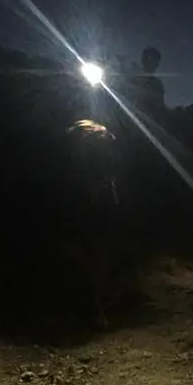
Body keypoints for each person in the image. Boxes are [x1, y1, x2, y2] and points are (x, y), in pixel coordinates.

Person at [62, 119, 123, 328]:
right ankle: (88, 305)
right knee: (87, 254)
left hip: (94, 210)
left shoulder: (102, 158)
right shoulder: (77, 161)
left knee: (98, 253)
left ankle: (94, 305)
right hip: (82, 208)